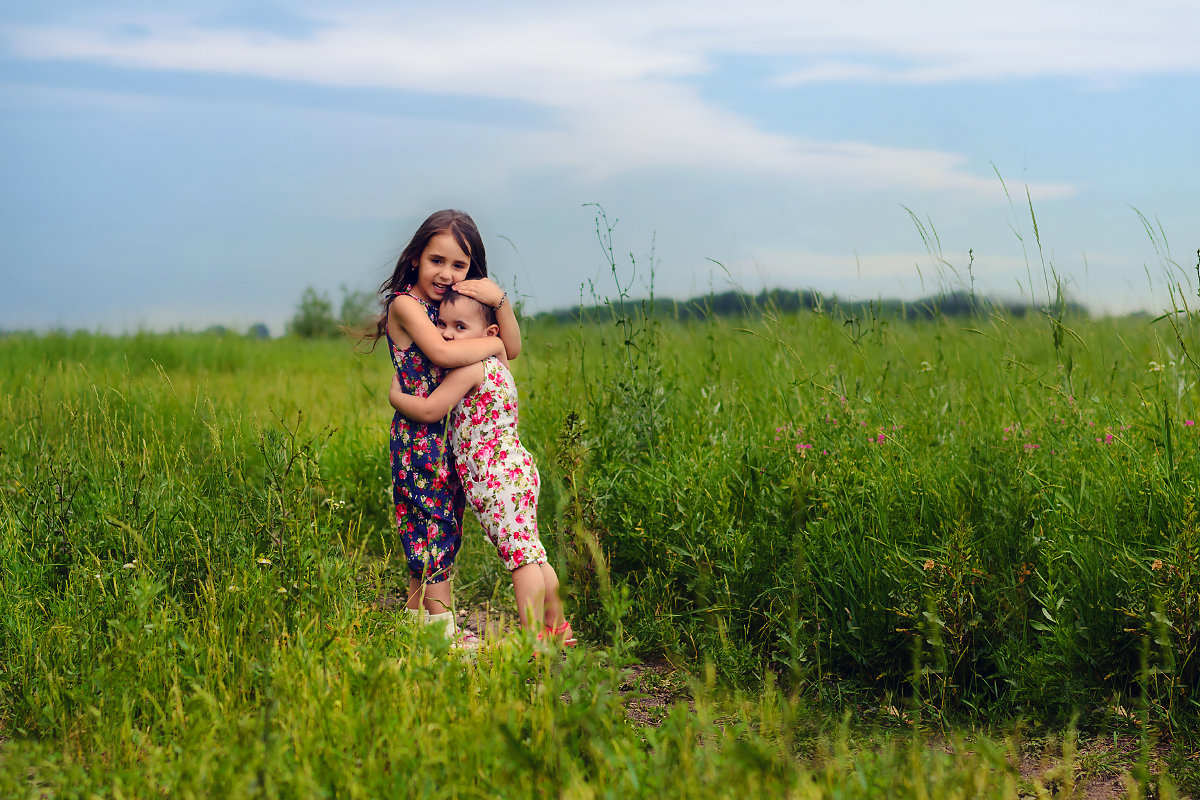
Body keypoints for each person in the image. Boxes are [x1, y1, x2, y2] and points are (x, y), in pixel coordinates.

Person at [389, 289, 575, 646]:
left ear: (489, 334)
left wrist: (396, 397)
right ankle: (557, 627)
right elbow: (507, 351)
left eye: (460, 326)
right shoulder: (498, 367)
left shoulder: (470, 369)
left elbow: (431, 411)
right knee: (533, 553)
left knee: (521, 563)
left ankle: (533, 638)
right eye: (441, 324)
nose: (447, 333)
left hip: (495, 478)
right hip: (517, 469)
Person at [369, 209, 520, 645]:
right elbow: (444, 355)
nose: (447, 274)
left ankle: (419, 628)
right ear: (416, 257)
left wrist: (500, 301)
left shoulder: (450, 308)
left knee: (438, 528)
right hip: (419, 439)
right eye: (437, 260)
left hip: (447, 441)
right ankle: (441, 640)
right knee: (432, 533)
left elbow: (515, 345)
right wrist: (493, 342)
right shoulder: (406, 305)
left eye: (460, 265)